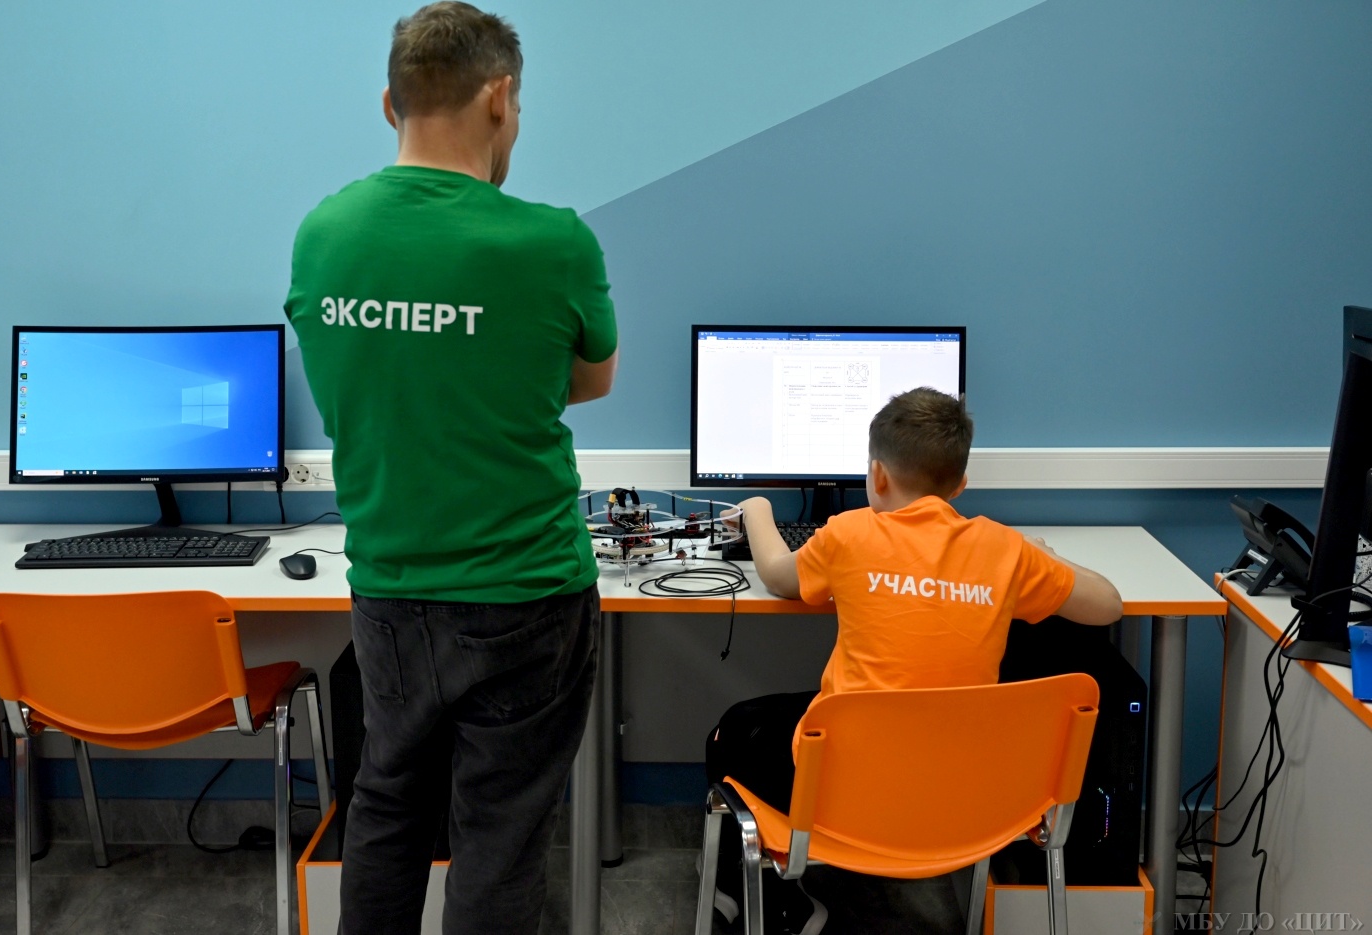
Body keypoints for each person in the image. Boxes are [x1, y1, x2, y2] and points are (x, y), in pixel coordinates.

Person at [284, 4, 618, 933]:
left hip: (390, 590)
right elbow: (587, 382)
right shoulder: (553, 241)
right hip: (526, 592)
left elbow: (351, 376)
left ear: (389, 102)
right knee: (499, 835)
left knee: (385, 803)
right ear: (499, 97)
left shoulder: (324, 232)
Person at [704, 387, 1123, 935]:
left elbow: (780, 577)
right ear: (961, 485)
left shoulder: (848, 533)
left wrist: (758, 511)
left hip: (846, 796)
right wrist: (1041, 555)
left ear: (877, 475)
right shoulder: (1004, 550)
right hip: (969, 801)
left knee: (733, 729)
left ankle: (768, 897)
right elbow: (1108, 604)